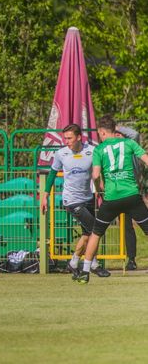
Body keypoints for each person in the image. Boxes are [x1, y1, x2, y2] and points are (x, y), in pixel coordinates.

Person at [77, 115, 148, 284]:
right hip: (131, 196)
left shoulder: (99, 150)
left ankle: (85, 272)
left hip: (111, 198)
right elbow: (146, 159)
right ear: (114, 130)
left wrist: (98, 187)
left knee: (96, 233)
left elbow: (95, 175)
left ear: (102, 132)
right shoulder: (129, 143)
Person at [41, 124, 110, 279]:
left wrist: (102, 191)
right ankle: (93, 264)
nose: (66, 141)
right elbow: (52, 174)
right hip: (71, 200)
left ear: (79, 137)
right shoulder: (61, 153)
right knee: (95, 229)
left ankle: (73, 263)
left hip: (88, 198)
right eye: (65, 138)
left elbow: (99, 173)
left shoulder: (92, 151)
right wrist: (45, 196)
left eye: (69, 138)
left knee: (87, 234)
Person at [115, 125, 143, 270]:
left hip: (133, 192)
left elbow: (134, 134)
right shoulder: (112, 151)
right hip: (118, 194)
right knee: (126, 227)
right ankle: (131, 259)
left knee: (145, 224)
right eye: (115, 135)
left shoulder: (130, 147)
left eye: (119, 134)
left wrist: (115, 127)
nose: (117, 137)